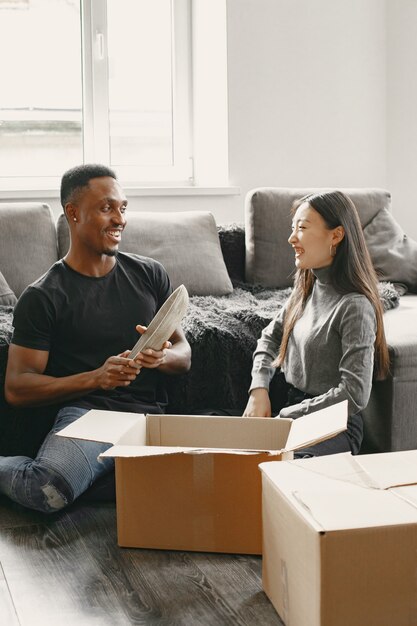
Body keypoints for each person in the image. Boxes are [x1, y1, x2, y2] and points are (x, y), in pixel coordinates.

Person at [0, 164, 191, 512]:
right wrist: (96, 378)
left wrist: (161, 358)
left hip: (150, 417)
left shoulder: (149, 274)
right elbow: (17, 387)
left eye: (123, 207)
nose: (120, 219)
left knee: (228, 468)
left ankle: (100, 478)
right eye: (106, 208)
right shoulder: (43, 296)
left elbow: (183, 351)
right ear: (73, 213)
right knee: (47, 490)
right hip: (90, 415)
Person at [243, 190, 389, 456]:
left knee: (272, 466)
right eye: (292, 228)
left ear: (336, 235)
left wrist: (288, 416)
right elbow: (269, 337)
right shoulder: (307, 287)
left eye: (302, 228)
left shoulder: (355, 306)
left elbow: (354, 395)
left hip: (334, 427)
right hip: (292, 412)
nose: (291, 238)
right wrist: (259, 388)